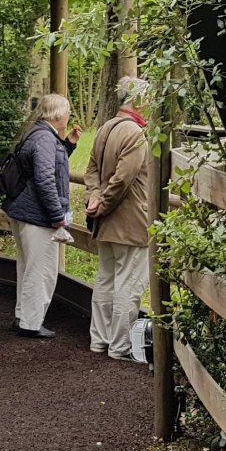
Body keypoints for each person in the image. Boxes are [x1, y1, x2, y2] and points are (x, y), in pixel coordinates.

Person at [84, 76, 152, 360]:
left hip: (106, 224)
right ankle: (120, 346)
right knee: (129, 285)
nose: (150, 105)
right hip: (131, 223)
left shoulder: (105, 128)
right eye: (148, 99)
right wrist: (104, 202)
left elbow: (91, 170)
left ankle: (98, 339)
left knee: (106, 280)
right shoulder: (135, 134)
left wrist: (95, 198)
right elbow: (123, 179)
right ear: (137, 100)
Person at [4, 93, 79, 339]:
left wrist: (67, 145)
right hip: (37, 215)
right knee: (42, 269)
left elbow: (48, 166)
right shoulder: (45, 139)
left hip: (23, 209)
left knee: (26, 266)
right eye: (67, 111)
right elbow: (45, 179)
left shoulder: (37, 133)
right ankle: (31, 323)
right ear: (57, 114)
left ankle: (23, 316)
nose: (68, 116)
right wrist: (57, 216)